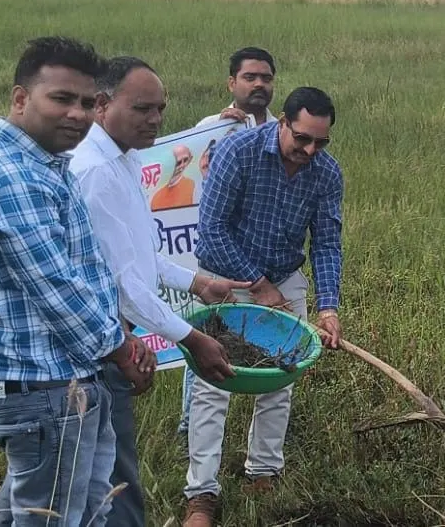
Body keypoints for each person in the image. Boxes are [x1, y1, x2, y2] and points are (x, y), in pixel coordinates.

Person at [0, 37, 157, 527]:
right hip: (42, 384)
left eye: (87, 103)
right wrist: (122, 350)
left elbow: (86, 271)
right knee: (51, 519)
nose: (78, 115)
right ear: (21, 99)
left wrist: (117, 339)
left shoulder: (46, 165)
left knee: (75, 512)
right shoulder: (12, 178)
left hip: (65, 379)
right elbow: (57, 289)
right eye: (61, 99)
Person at [69, 56, 253, 527]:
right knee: (106, 473)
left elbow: (142, 257)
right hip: (93, 348)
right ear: (102, 105)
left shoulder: (126, 159)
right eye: (143, 109)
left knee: (104, 469)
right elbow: (125, 287)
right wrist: (191, 339)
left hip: (113, 340)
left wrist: (197, 281)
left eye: (160, 109)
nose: (154, 120)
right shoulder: (95, 174)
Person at [180, 87, 345, 527]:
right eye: (302, 139)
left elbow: (327, 244)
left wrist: (328, 308)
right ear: (282, 124)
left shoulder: (326, 174)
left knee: (281, 375)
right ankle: (201, 494)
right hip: (226, 279)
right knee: (213, 384)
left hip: (285, 277)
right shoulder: (239, 151)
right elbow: (211, 230)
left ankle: (263, 471)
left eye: (321, 142)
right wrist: (258, 285)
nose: (310, 150)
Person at [177, 45, 278, 433]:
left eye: (265, 78)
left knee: (260, 343)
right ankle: (191, 426)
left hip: (262, 260)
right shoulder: (209, 128)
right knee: (208, 340)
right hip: (218, 256)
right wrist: (217, 130)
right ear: (232, 82)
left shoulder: (281, 132)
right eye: (250, 77)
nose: (258, 84)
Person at [148, 144, 196, 211]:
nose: (182, 166)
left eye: (185, 160)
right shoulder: (157, 197)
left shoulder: (192, 185)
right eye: (178, 163)